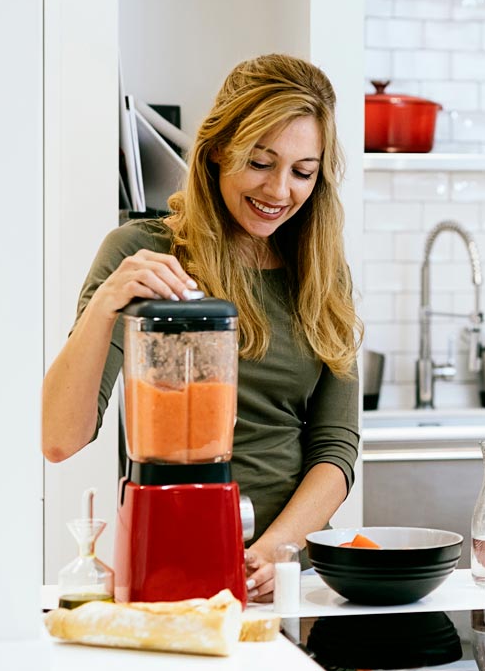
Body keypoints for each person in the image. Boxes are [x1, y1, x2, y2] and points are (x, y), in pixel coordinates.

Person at [41, 54, 361, 602]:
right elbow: (61, 438)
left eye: (303, 171)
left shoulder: (322, 275)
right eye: (261, 162)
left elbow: (334, 447)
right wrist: (106, 305)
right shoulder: (143, 254)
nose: (280, 190)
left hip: (287, 578)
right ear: (216, 152)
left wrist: (273, 550)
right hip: (170, 568)